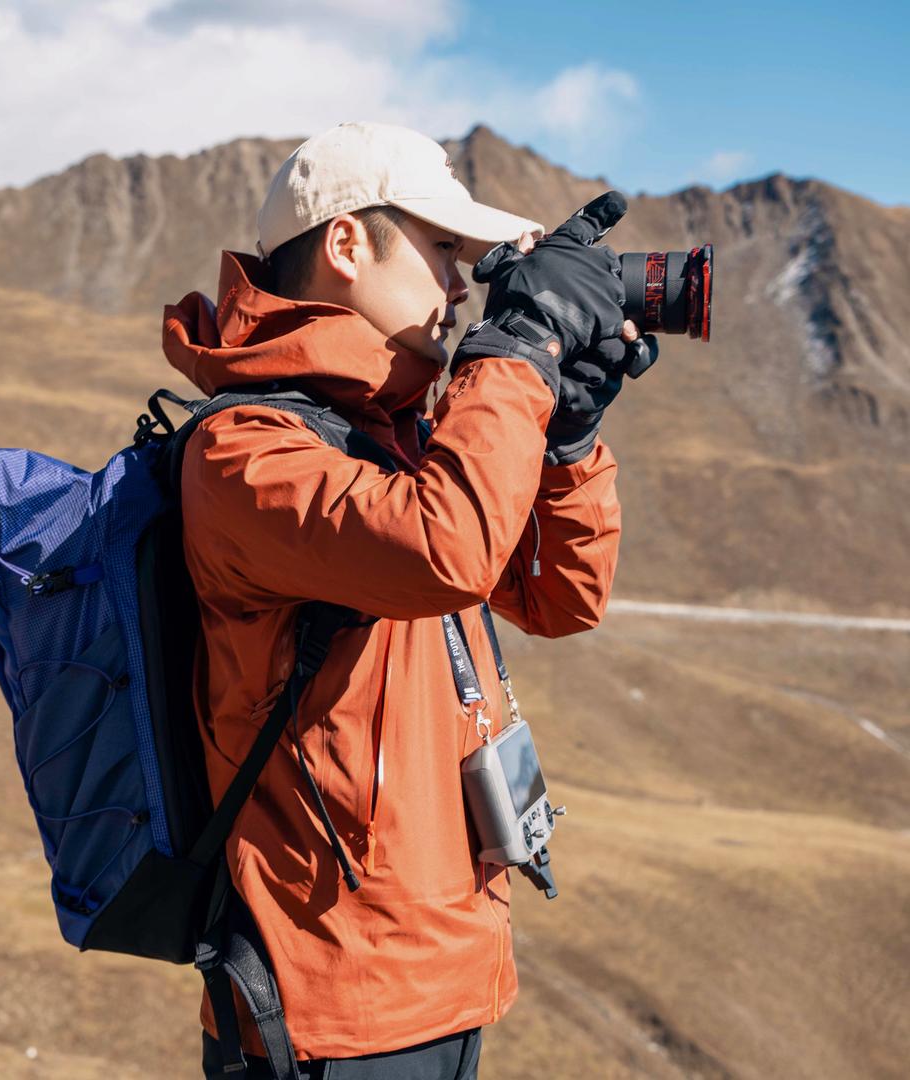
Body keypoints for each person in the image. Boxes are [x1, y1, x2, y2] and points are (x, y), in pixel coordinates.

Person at [162, 121, 654, 1079]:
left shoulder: (395, 441)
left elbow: (564, 597)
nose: (463, 285)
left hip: (441, 983)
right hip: (329, 1010)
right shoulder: (247, 456)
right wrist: (517, 350)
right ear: (348, 243)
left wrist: (564, 441)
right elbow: (447, 547)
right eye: (442, 251)